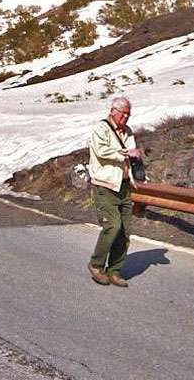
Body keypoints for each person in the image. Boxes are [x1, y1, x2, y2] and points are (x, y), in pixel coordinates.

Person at [87, 96, 143, 288]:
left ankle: (114, 270)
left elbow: (131, 154)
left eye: (128, 113)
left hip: (124, 185)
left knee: (125, 231)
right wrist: (125, 153)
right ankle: (96, 265)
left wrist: (136, 173)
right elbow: (101, 151)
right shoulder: (100, 129)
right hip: (105, 184)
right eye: (123, 113)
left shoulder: (128, 132)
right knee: (112, 225)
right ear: (113, 111)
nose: (126, 117)